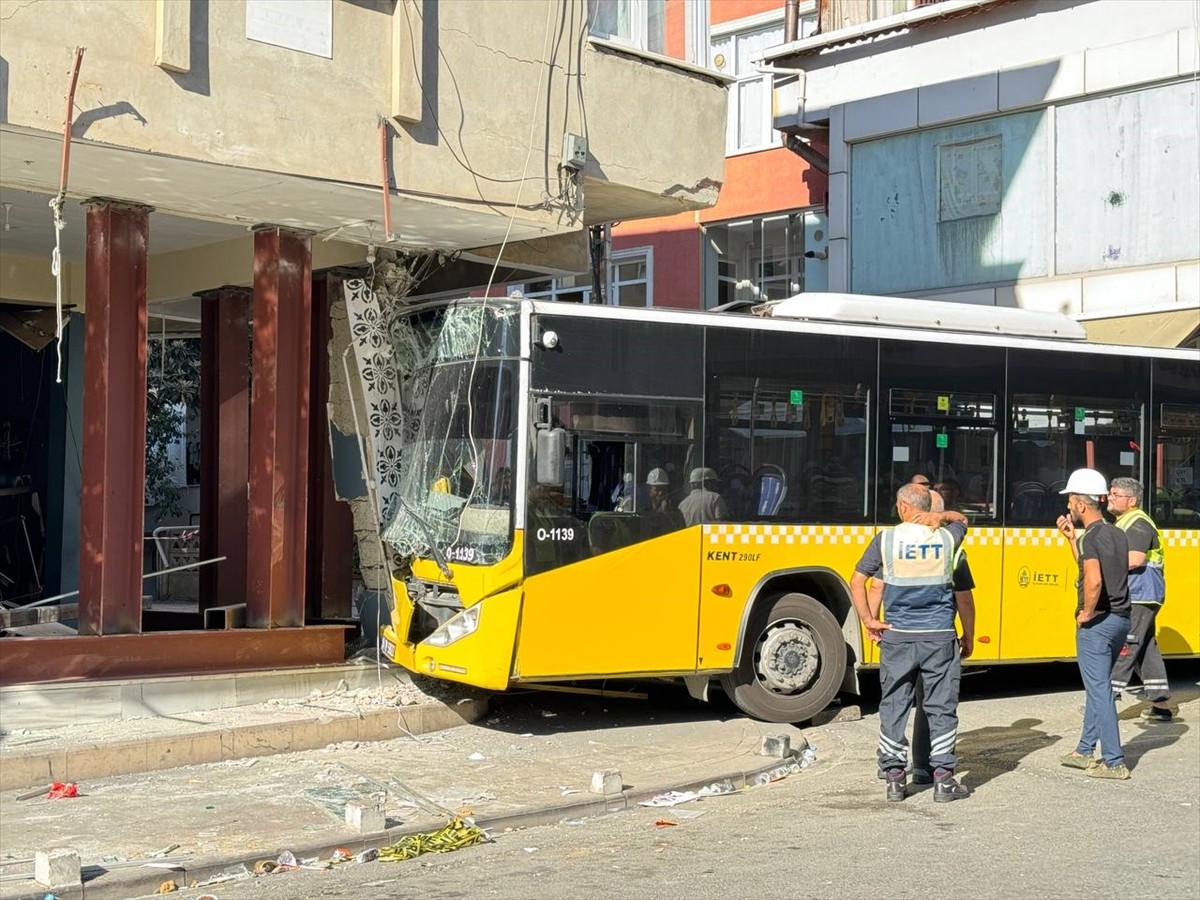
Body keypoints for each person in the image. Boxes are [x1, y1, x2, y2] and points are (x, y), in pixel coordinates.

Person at [850, 482, 971, 803]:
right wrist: (941, 516)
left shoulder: (886, 540)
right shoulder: (948, 538)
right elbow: (962, 520)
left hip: (898, 638)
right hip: (939, 638)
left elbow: (858, 581)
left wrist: (869, 620)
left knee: (894, 704)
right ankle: (944, 780)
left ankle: (893, 777)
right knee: (941, 707)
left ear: (902, 507)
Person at [1055, 467, 1132, 780]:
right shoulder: (1115, 533)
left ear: (1081, 505)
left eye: (1071, 500)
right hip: (1121, 620)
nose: (1069, 506)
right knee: (1097, 687)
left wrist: (1086, 613)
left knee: (1100, 691)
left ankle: (1114, 761)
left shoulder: (1092, 538)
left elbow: (1094, 580)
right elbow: (1092, 567)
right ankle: (1085, 751)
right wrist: (1072, 540)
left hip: (1098, 624)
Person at [1107, 477, 1171, 721]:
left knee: (1127, 641)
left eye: (1115, 494)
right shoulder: (1126, 522)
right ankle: (1161, 705)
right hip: (1142, 593)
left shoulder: (1137, 523)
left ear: (1131, 500)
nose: (1109, 497)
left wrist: (1102, 571)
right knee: (1144, 647)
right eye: (1110, 493)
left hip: (1141, 593)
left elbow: (1135, 559)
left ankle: (1106, 700)